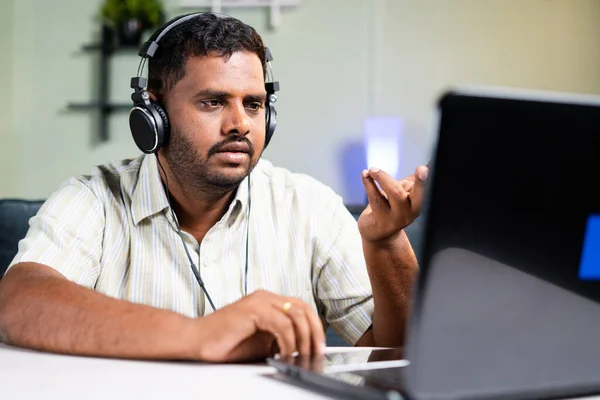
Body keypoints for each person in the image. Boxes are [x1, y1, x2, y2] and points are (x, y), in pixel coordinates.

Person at [0, 13, 428, 362]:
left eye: (254, 104)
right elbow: (19, 302)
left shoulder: (308, 205)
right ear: (154, 113)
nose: (240, 123)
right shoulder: (93, 198)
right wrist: (199, 336)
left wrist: (386, 244)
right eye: (213, 102)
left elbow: (394, 356)